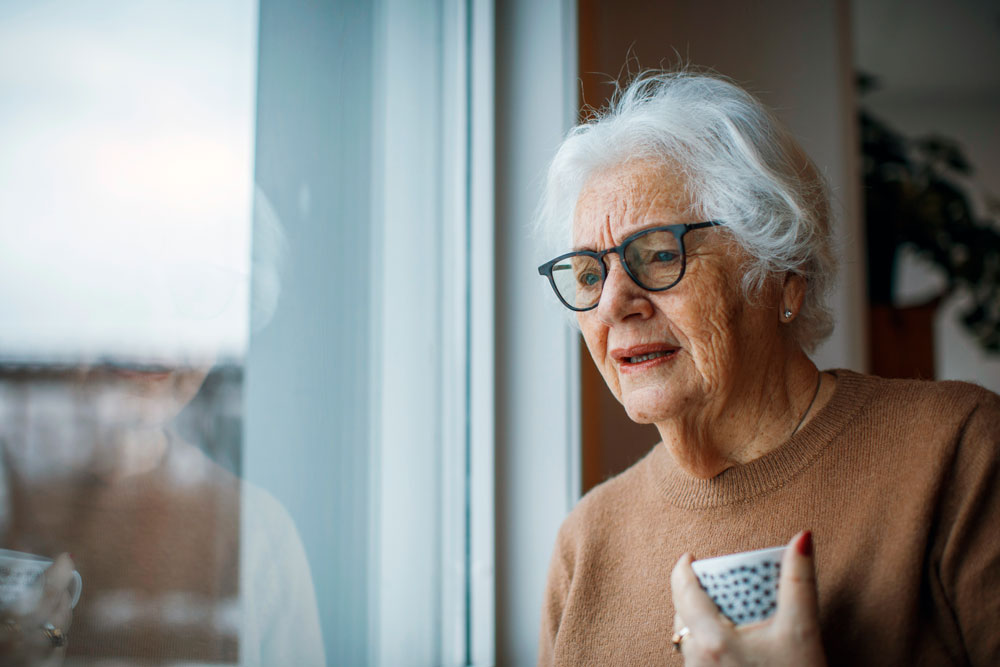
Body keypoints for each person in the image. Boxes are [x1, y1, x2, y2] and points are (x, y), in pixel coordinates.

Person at [534, 70, 1000, 666]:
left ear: (784, 275)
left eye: (658, 255)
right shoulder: (585, 543)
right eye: (591, 275)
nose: (613, 303)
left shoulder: (956, 450)